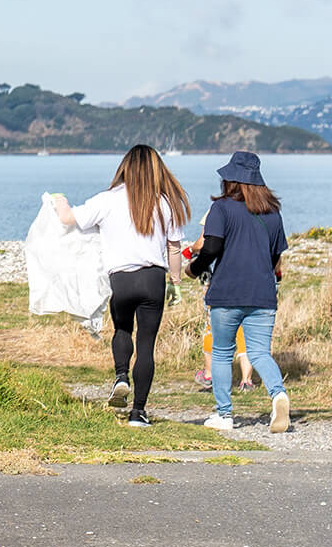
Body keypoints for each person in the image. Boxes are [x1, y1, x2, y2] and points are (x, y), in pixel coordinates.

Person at [49, 145, 191, 426]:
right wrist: (175, 283)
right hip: (153, 280)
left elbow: (68, 219)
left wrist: (59, 199)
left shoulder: (107, 200)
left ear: (124, 168)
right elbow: (174, 249)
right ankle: (138, 413)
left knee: (122, 329)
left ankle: (121, 376)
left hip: (120, 280)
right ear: (156, 169)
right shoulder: (164, 202)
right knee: (147, 344)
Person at [185, 151, 293, 433]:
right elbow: (274, 257)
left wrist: (193, 270)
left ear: (230, 180)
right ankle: (278, 395)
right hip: (263, 294)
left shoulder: (221, 209)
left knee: (221, 352)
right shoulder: (272, 212)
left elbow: (211, 249)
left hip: (227, 293)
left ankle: (224, 415)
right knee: (259, 353)